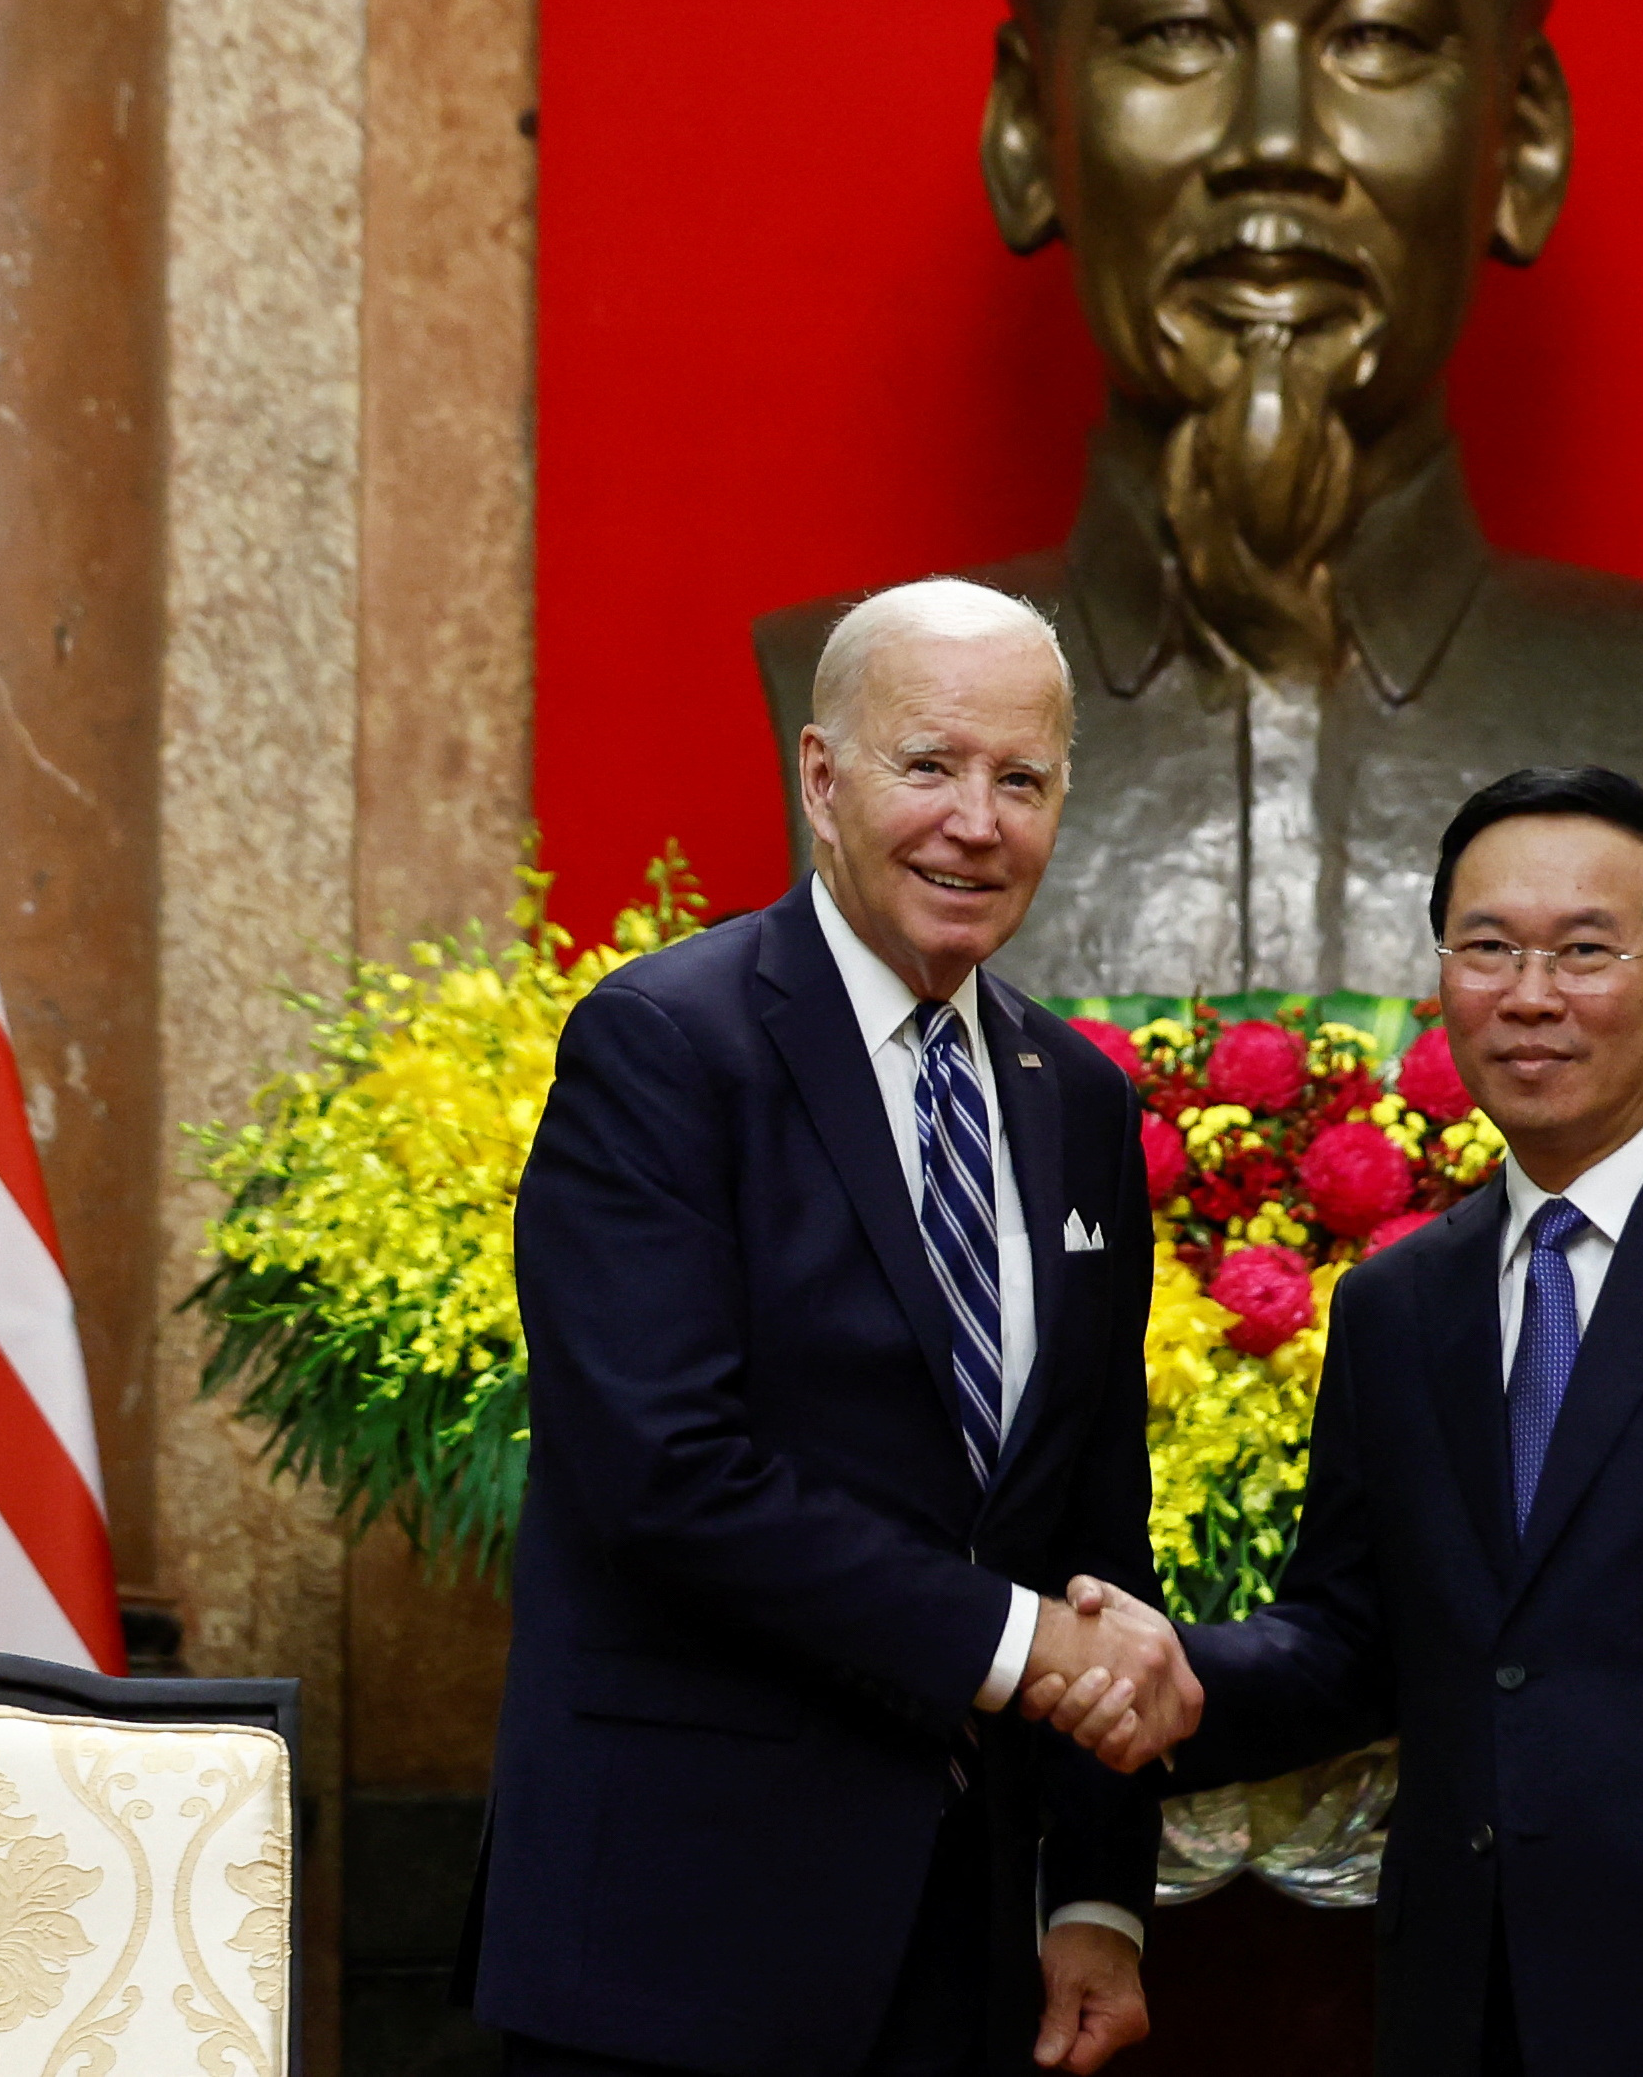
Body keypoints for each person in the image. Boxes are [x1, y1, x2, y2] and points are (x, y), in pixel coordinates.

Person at [752, 0, 1643, 999]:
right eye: (1179, 32)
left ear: (1519, 143)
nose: (1276, 142)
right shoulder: (840, 703)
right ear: (1027, 131)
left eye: (1378, 39)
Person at [1038, 766, 1643, 2076]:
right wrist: (1157, 1673)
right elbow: (1348, 1645)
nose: (1531, 995)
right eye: (1488, 949)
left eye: (1583, 951)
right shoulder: (1397, 1300)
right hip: (1467, 2005)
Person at [470, 578, 1205, 2077]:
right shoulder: (665, 1045)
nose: (975, 823)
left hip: (970, 1942)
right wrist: (1019, 1647)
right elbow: (667, 1474)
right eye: (927, 766)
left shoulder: (1075, 1099)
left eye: (1021, 779)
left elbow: (1091, 1517)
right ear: (820, 778)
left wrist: (1099, 1896)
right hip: (681, 1943)